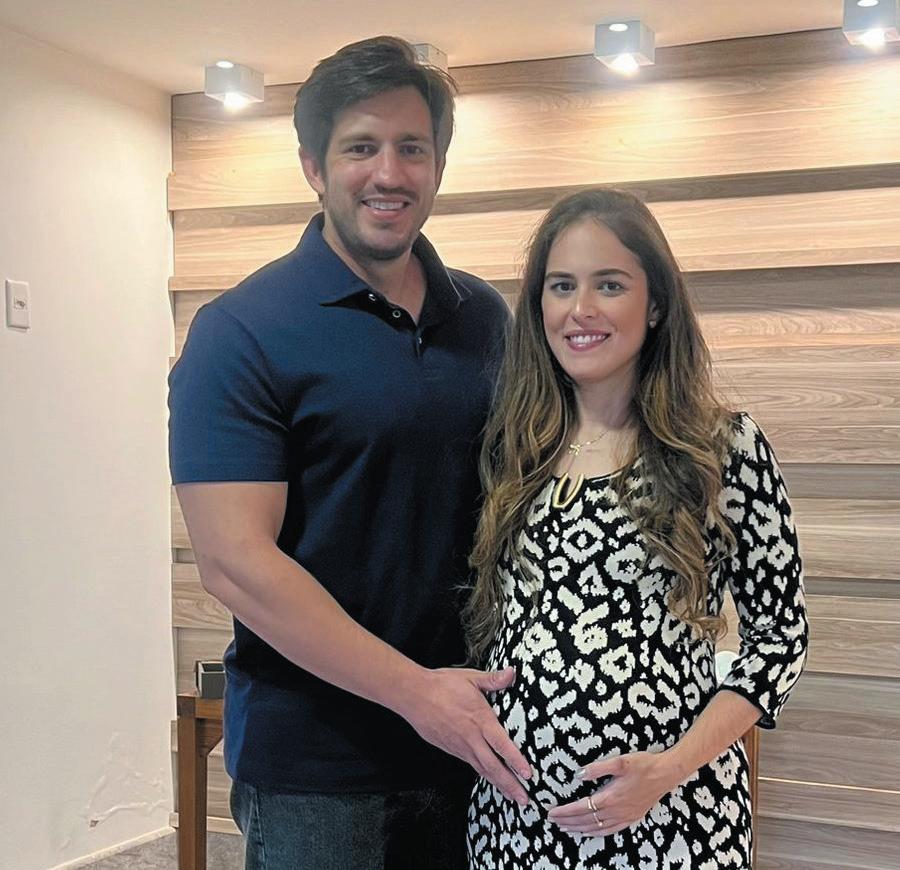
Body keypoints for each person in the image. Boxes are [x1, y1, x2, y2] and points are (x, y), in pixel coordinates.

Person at [168, 36, 531, 870]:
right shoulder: (240, 332)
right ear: (313, 166)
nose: (389, 173)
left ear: (439, 164)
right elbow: (235, 564)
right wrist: (418, 694)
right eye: (361, 147)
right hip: (318, 772)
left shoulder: (484, 318)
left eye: (413, 148)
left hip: (473, 742)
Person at [464, 189, 809, 868]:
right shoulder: (513, 449)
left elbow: (780, 641)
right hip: (516, 827)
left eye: (610, 285)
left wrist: (668, 769)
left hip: (672, 821)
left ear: (655, 306)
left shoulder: (721, 448)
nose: (581, 309)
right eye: (561, 286)